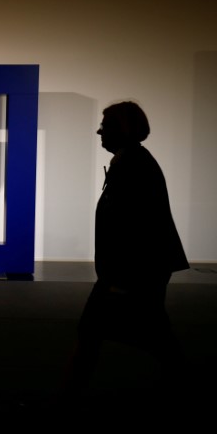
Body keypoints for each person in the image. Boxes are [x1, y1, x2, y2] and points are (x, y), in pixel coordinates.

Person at [58, 100, 190, 408]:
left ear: (123, 129)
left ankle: (66, 400)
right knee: (145, 335)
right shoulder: (132, 162)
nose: (99, 131)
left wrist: (120, 279)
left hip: (130, 274)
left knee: (101, 333)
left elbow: (138, 228)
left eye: (105, 126)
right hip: (132, 272)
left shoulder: (133, 166)